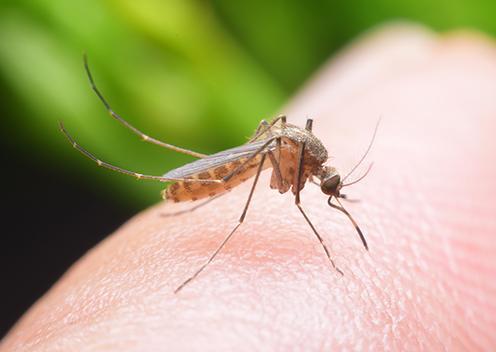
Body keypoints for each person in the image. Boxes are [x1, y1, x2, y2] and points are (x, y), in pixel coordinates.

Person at [2, 24, 495, 351]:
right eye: (330, 186)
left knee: (275, 137)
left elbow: (290, 141)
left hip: (272, 154)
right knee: (268, 142)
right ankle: (148, 145)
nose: (328, 189)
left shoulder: (314, 166)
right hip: (260, 157)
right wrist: (262, 169)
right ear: (320, 174)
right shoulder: (306, 166)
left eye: (330, 186)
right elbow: (283, 143)